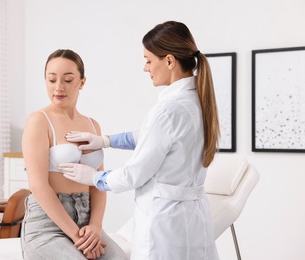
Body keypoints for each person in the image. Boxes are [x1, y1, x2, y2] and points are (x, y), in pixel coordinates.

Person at [58, 21, 220, 260]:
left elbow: (134, 174)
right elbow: (155, 138)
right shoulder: (196, 100)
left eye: (148, 60)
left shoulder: (169, 109)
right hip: (193, 218)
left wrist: (94, 178)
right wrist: (105, 141)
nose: (145, 68)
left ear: (169, 61)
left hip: (165, 225)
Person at [21, 49, 128, 260]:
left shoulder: (92, 125)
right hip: (47, 225)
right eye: (52, 80)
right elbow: (38, 186)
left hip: (86, 221)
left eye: (68, 80)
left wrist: (95, 227)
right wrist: (78, 238)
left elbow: (97, 184)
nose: (58, 87)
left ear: (82, 82)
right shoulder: (38, 121)